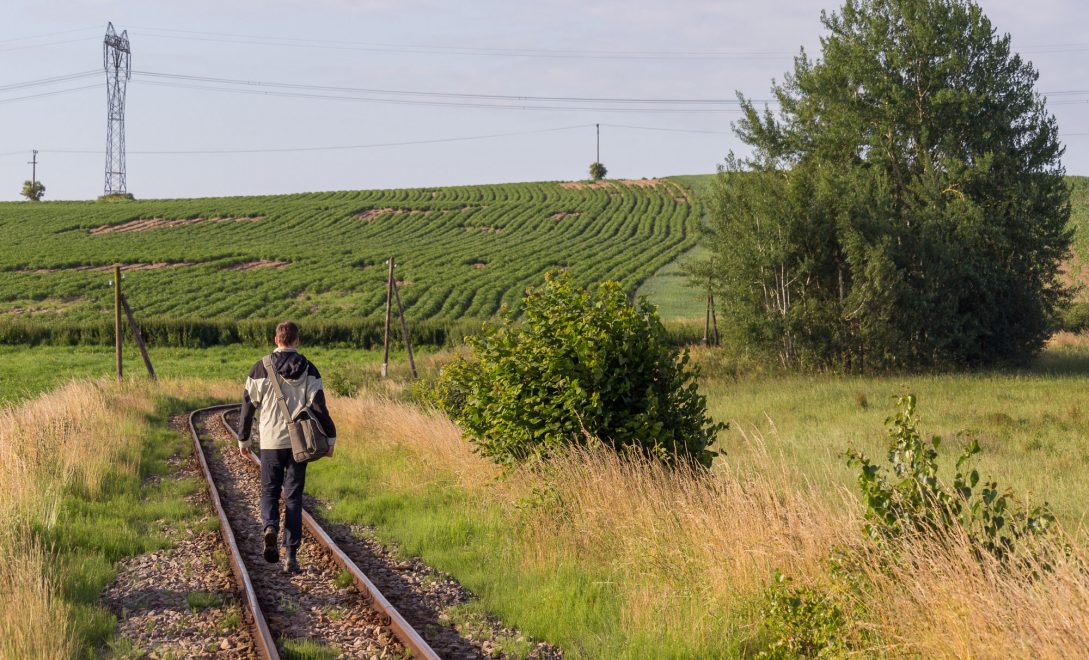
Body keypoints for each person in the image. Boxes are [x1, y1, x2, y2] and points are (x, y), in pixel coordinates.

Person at [237, 320, 337, 573]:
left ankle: (270, 526)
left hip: (270, 441)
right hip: (299, 444)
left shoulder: (260, 367)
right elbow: (318, 407)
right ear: (296, 341)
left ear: (276, 340)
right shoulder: (309, 369)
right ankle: (290, 556)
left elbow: (248, 406)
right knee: (293, 498)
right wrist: (330, 439)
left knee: (269, 492)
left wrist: (244, 439)